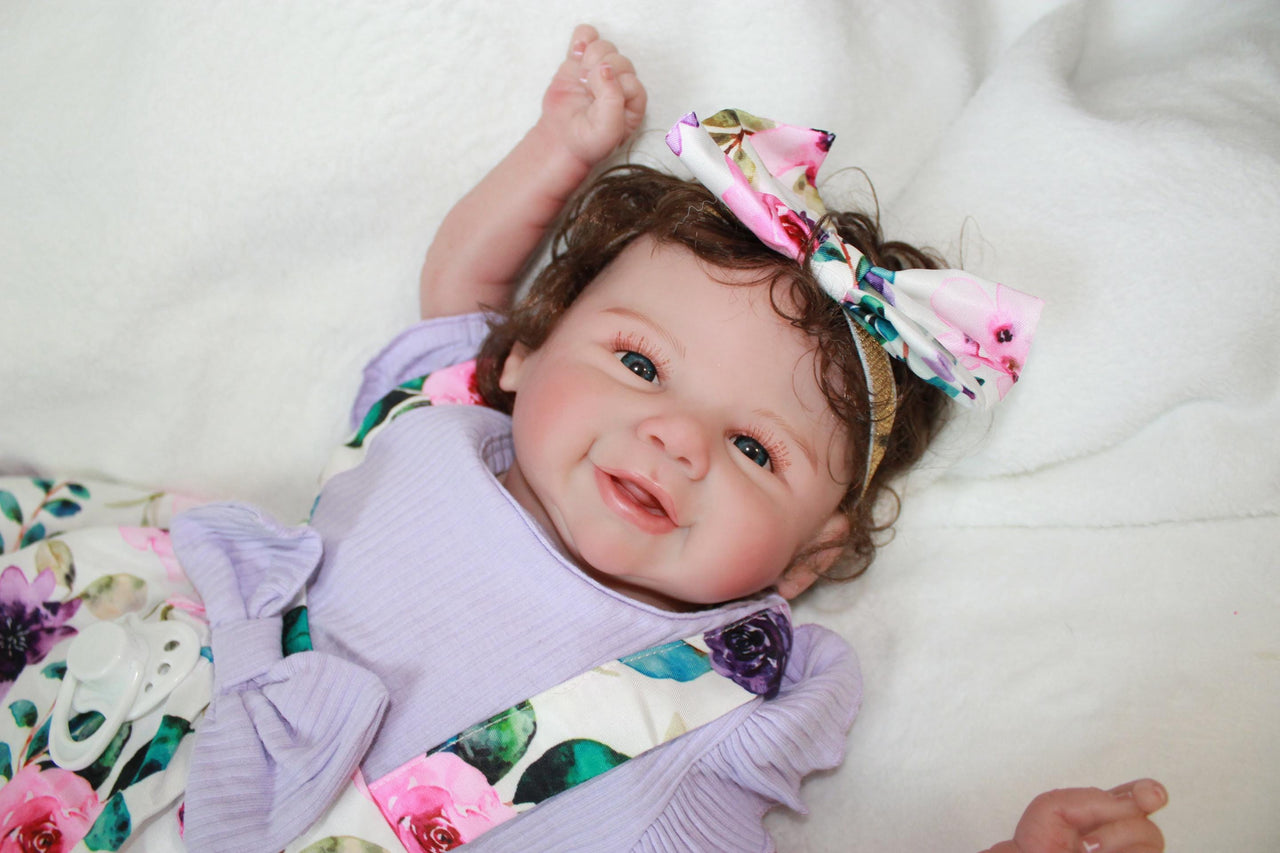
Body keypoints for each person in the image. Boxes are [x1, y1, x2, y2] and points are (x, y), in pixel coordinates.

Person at [0, 23, 1165, 853]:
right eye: (640, 364)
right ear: (522, 355)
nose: (673, 439)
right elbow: (462, 277)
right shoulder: (458, 419)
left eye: (756, 449)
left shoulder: (714, 698)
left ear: (808, 560)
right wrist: (562, 149)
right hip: (119, 694)